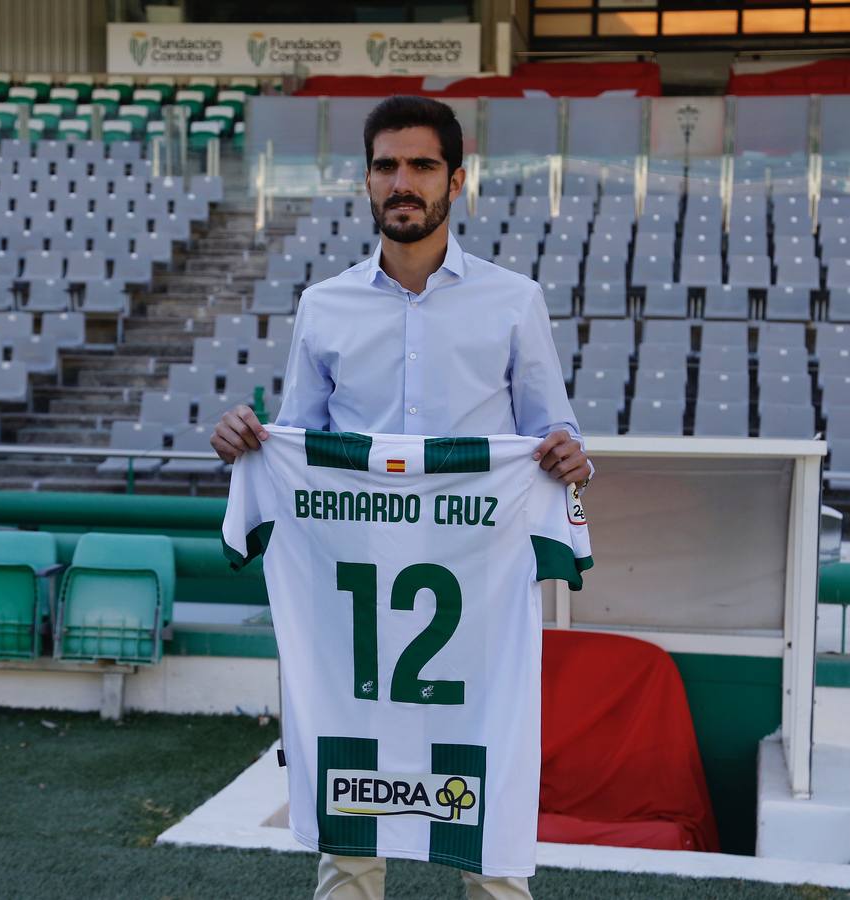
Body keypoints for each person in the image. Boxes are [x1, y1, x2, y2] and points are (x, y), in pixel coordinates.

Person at [212, 95, 591, 900]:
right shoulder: (324, 307)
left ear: (457, 180)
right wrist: (249, 446)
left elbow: (550, 433)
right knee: (351, 833)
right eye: (387, 165)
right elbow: (300, 448)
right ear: (367, 180)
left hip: (476, 601)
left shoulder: (512, 301)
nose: (402, 182)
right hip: (357, 603)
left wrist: (567, 455)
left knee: (491, 831)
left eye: (421, 165)